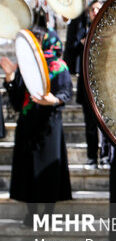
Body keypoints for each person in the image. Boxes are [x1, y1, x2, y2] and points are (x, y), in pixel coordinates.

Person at [1, 27, 73, 226]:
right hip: (27, 125)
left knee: (48, 171)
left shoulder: (58, 66)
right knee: (27, 169)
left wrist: (53, 100)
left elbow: (65, 92)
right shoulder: (25, 67)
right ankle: (32, 213)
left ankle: (48, 213)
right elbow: (16, 102)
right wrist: (9, 77)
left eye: (36, 40)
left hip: (49, 126)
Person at [64, 1, 110, 169]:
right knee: (89, 124)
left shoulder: (108, 29)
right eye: (92, 9)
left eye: (98, 8)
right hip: (86, 83)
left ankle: (105, 156)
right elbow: (72, 48)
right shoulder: (82, 29)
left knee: (104, 124)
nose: (95, 11)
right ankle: (92, 157)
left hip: (103, 85)